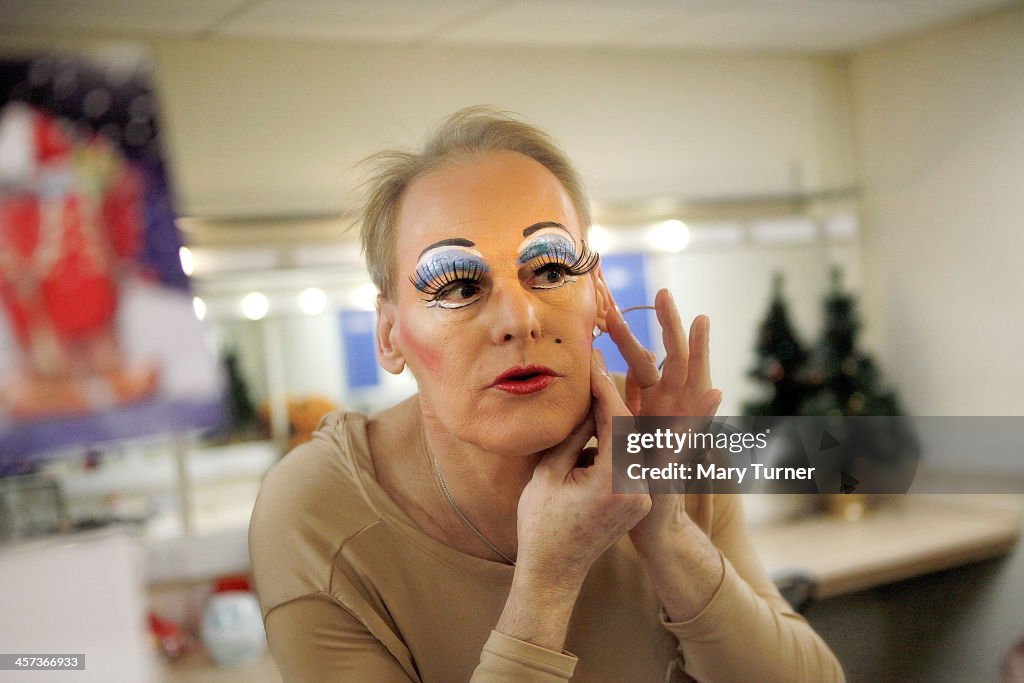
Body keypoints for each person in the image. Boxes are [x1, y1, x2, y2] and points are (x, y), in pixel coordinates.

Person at [249, 106, 845, 681]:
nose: (521, 319)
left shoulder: (660, 433)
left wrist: (666, 530)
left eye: (553, 270)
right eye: (458, 285)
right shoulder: (315, 510)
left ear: (600, 299)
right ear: (389, 334)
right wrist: (547, 583)